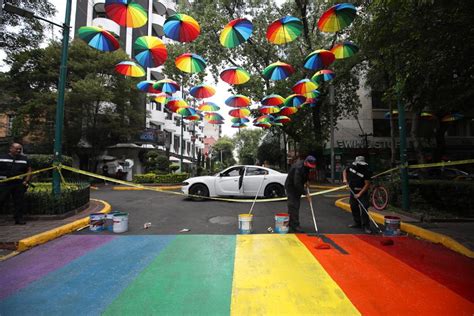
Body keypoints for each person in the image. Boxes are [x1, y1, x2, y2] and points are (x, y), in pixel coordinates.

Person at [0, 143, 32, 225]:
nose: (18, 150)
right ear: (10, 148)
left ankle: (19, 219)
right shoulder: (2, 157)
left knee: (19, 202)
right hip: (4, 183)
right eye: (16, 149)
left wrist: (26, 181)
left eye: (19, 149)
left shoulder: (24, 159)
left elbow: (29, 170)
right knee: (1, 200)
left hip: (18, 183)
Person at [284, 155, 317, 233]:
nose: (310, 167)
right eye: (310, 166)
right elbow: (297, 183)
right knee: (293, 205)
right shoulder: (298, 168)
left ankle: (292, 224)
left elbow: (306, 174)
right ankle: (295, 226)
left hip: (297, 187)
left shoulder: (306, 166)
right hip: (291, 188)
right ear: (306, 162)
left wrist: (307, 181)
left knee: (295, 205)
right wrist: (306, 194)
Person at [343, 156, 372, 234]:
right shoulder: (352, 166)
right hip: (352, 190)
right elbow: (345, 171)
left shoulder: (366, 171)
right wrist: (345, 179)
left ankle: (366, 225)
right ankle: (357, 223)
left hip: (362, 191)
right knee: (353, 206)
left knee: (364, 208)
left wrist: (359, 194)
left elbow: (367, 184)